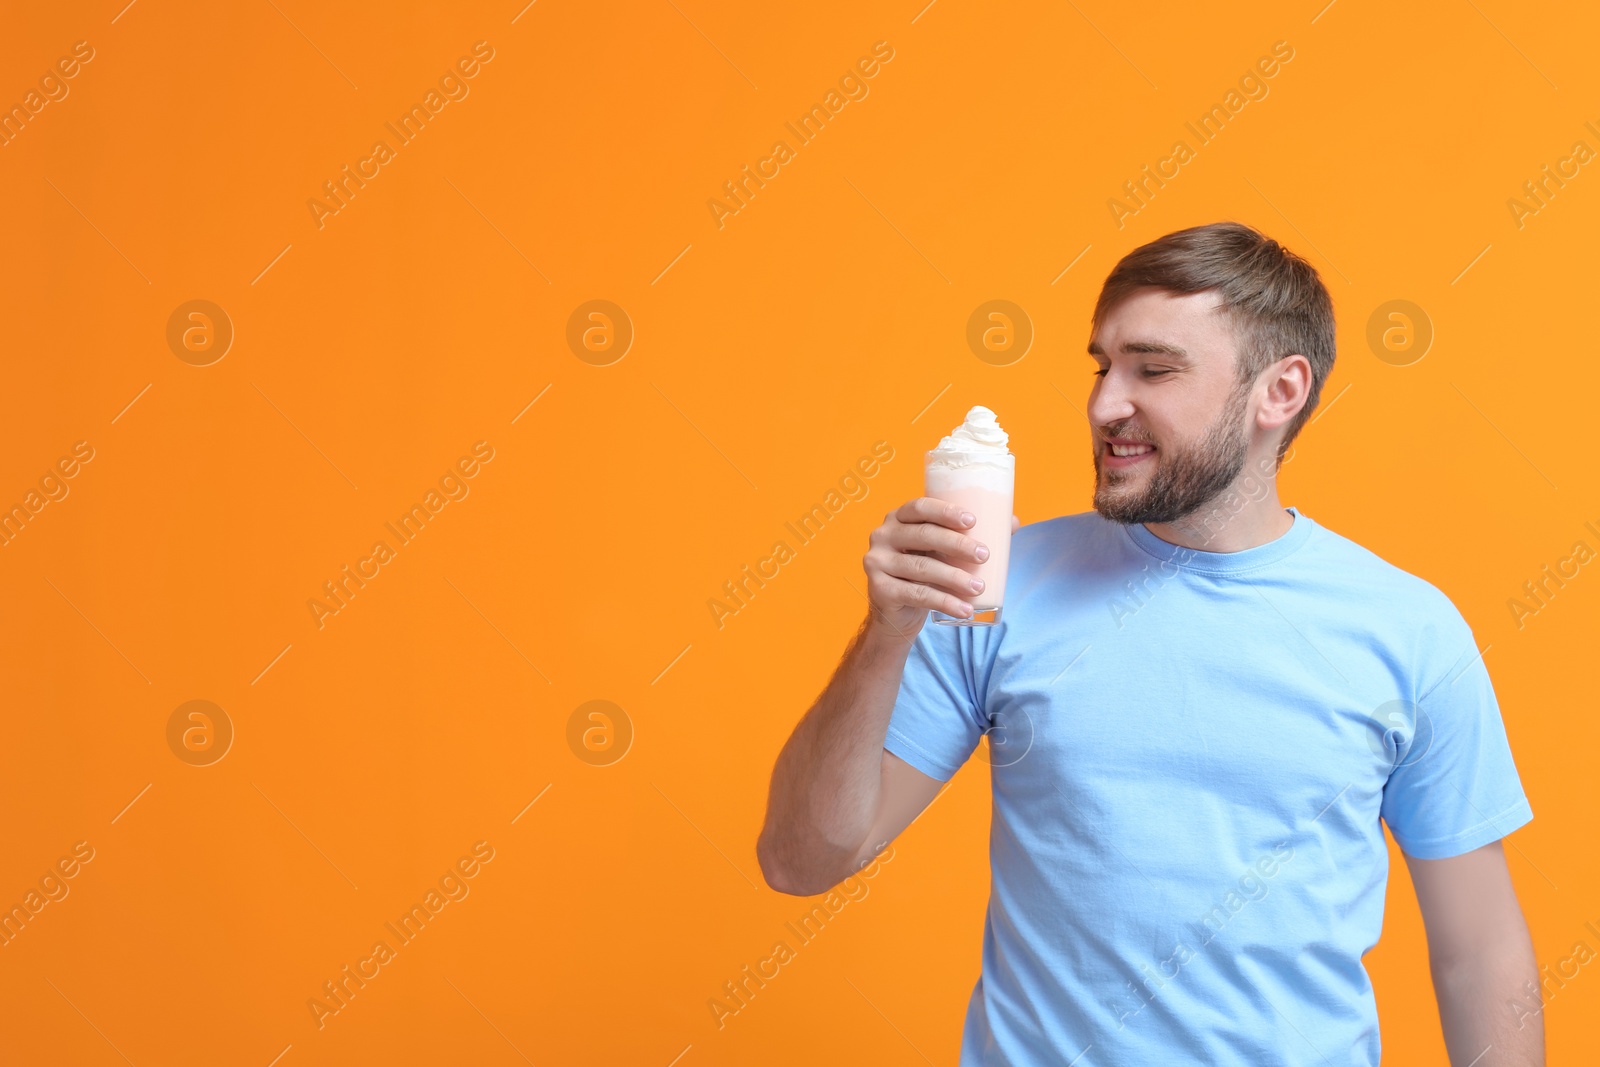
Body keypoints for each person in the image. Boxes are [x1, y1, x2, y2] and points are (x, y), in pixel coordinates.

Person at [755, 221, 1541, 1065]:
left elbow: (1480, 949)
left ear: (1279, 392)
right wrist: (886, 633)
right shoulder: (999, 588)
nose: (1103, 404)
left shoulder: (1408, 631)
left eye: (1153, 369)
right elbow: (802, 858)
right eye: (1101, 366)